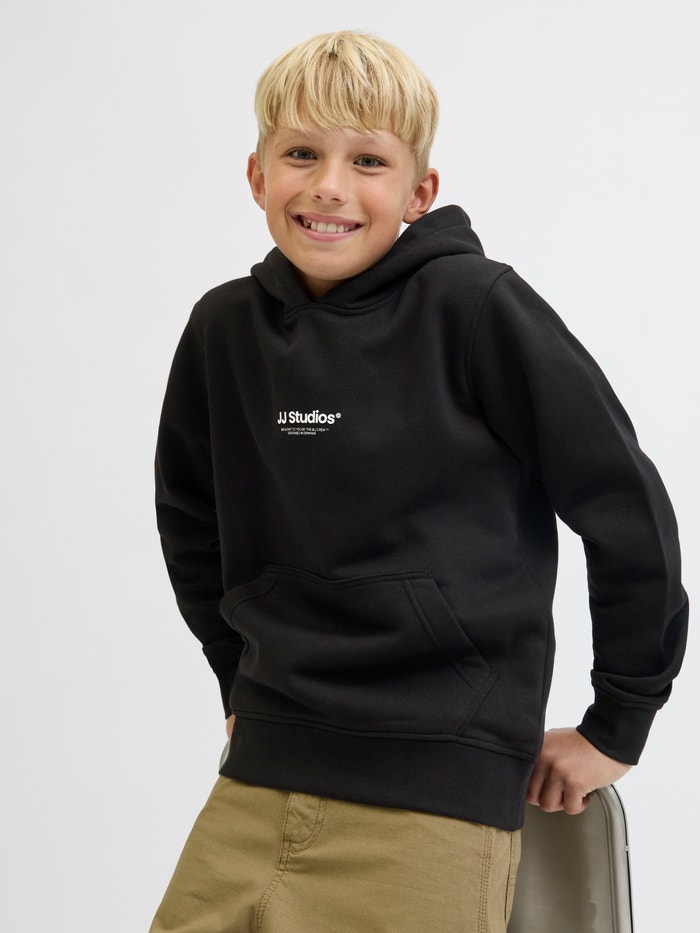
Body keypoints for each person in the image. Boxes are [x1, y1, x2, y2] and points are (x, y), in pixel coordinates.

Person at [150, 31, 688, 933]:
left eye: (368, 161)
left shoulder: (475, 309)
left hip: (433, 803)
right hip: (255, 783)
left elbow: (624, 504)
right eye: (301, 154)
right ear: (257, 175)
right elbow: (189, 518)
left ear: (419, 191)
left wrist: (618, 722)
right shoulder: (225, 329)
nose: (329, 186)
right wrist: (237, 681)